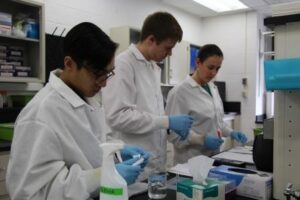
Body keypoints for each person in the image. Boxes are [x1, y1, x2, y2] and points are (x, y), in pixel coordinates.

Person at [6, 22, 149, 200]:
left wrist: (116, 150)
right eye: (98, 74)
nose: (104, 83)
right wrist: (102, 176)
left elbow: (91, 144)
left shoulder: (88, 98)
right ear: (69, 64)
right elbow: (32, 193)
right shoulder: (40, 114)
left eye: (109, 73)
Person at [102, 11, 193, 179]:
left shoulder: (152, 67)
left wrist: (167, 123)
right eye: (168, 47)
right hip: (133, 166)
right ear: (151, 40)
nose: (170, 53)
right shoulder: (124, 64)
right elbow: (118, 116)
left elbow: (150, 113)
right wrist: (167, 121)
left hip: (155, 166)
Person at [165, 44, 247, 164]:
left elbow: (217, 122)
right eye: (210, 67)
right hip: (190, 162)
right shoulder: (180, 92)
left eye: (217, 68)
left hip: (213, 157)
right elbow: (172, 133)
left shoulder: (213, 88)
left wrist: (231, 132)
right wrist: (201, 140)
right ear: (198, 62)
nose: (214, 73)